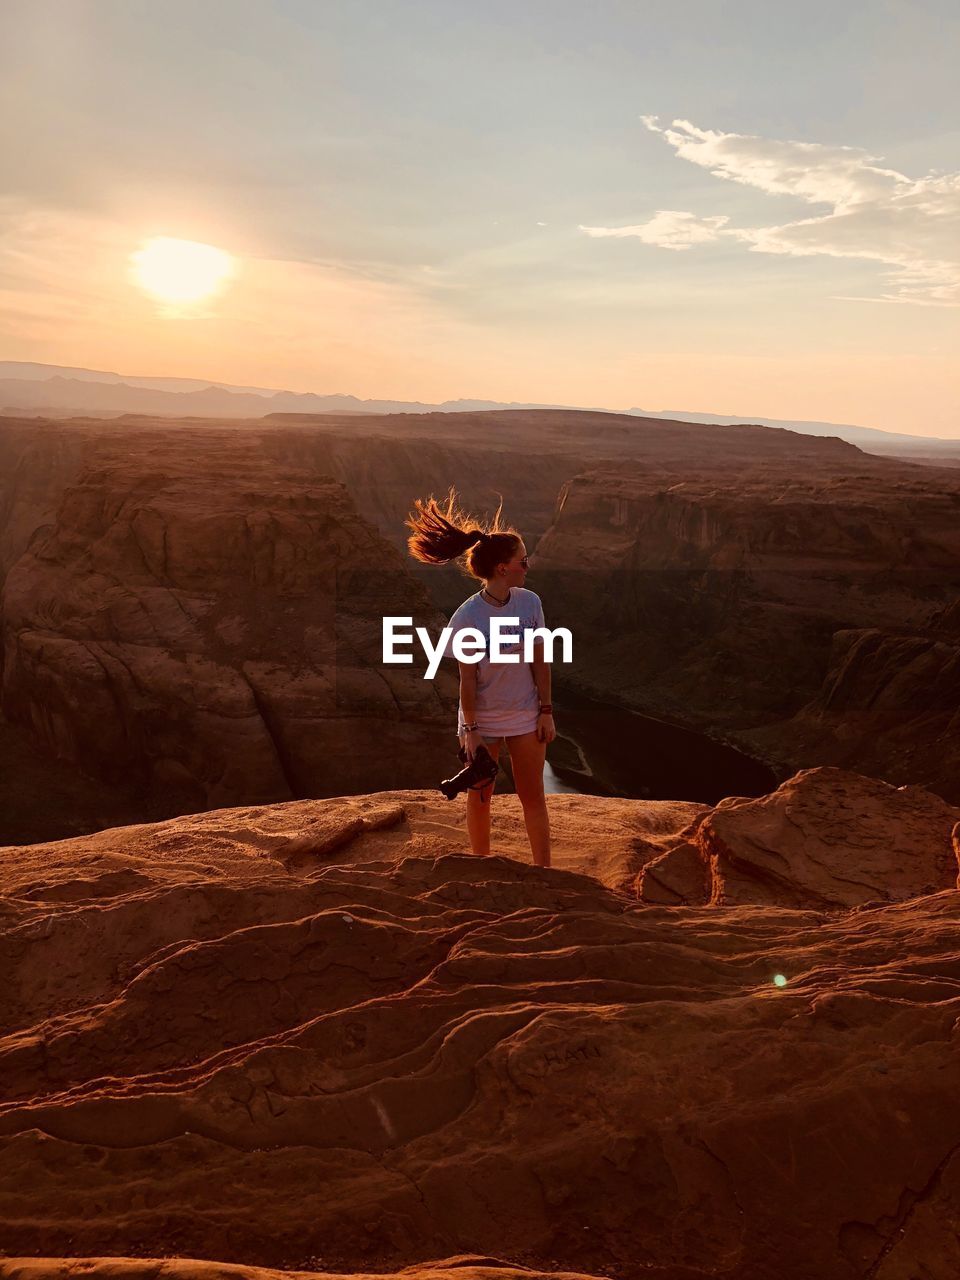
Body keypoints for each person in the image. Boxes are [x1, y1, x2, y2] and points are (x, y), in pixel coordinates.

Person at [405, 487, 556, 867]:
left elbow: (541, 661)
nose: (528, 565)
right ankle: (480, 863)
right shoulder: (468, 618)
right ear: (504, 568)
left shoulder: (531, 602)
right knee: (481, 796)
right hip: (482, 721)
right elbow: (467, 681)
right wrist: (470, 730)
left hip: (524, 715)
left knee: (532, 796)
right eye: (524, 560)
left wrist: (546, 710)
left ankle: (545, 871)